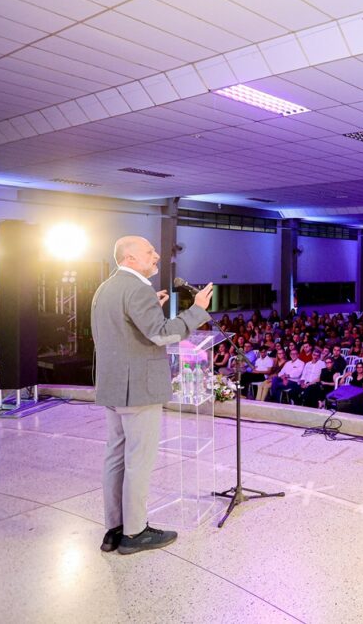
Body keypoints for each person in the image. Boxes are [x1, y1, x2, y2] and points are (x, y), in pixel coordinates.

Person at [91, 235, 213, 555]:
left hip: (114, 387)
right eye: (149, 252)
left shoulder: (106, 287)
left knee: (115, 459)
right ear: (130, 259)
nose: (156, 256)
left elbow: (122, 333)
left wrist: (152, 311)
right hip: (139, 390)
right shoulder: (137, 288)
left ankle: (114, 528)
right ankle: (135, 532)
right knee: (139, 462)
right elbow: (161, 335)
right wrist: (197, 310)